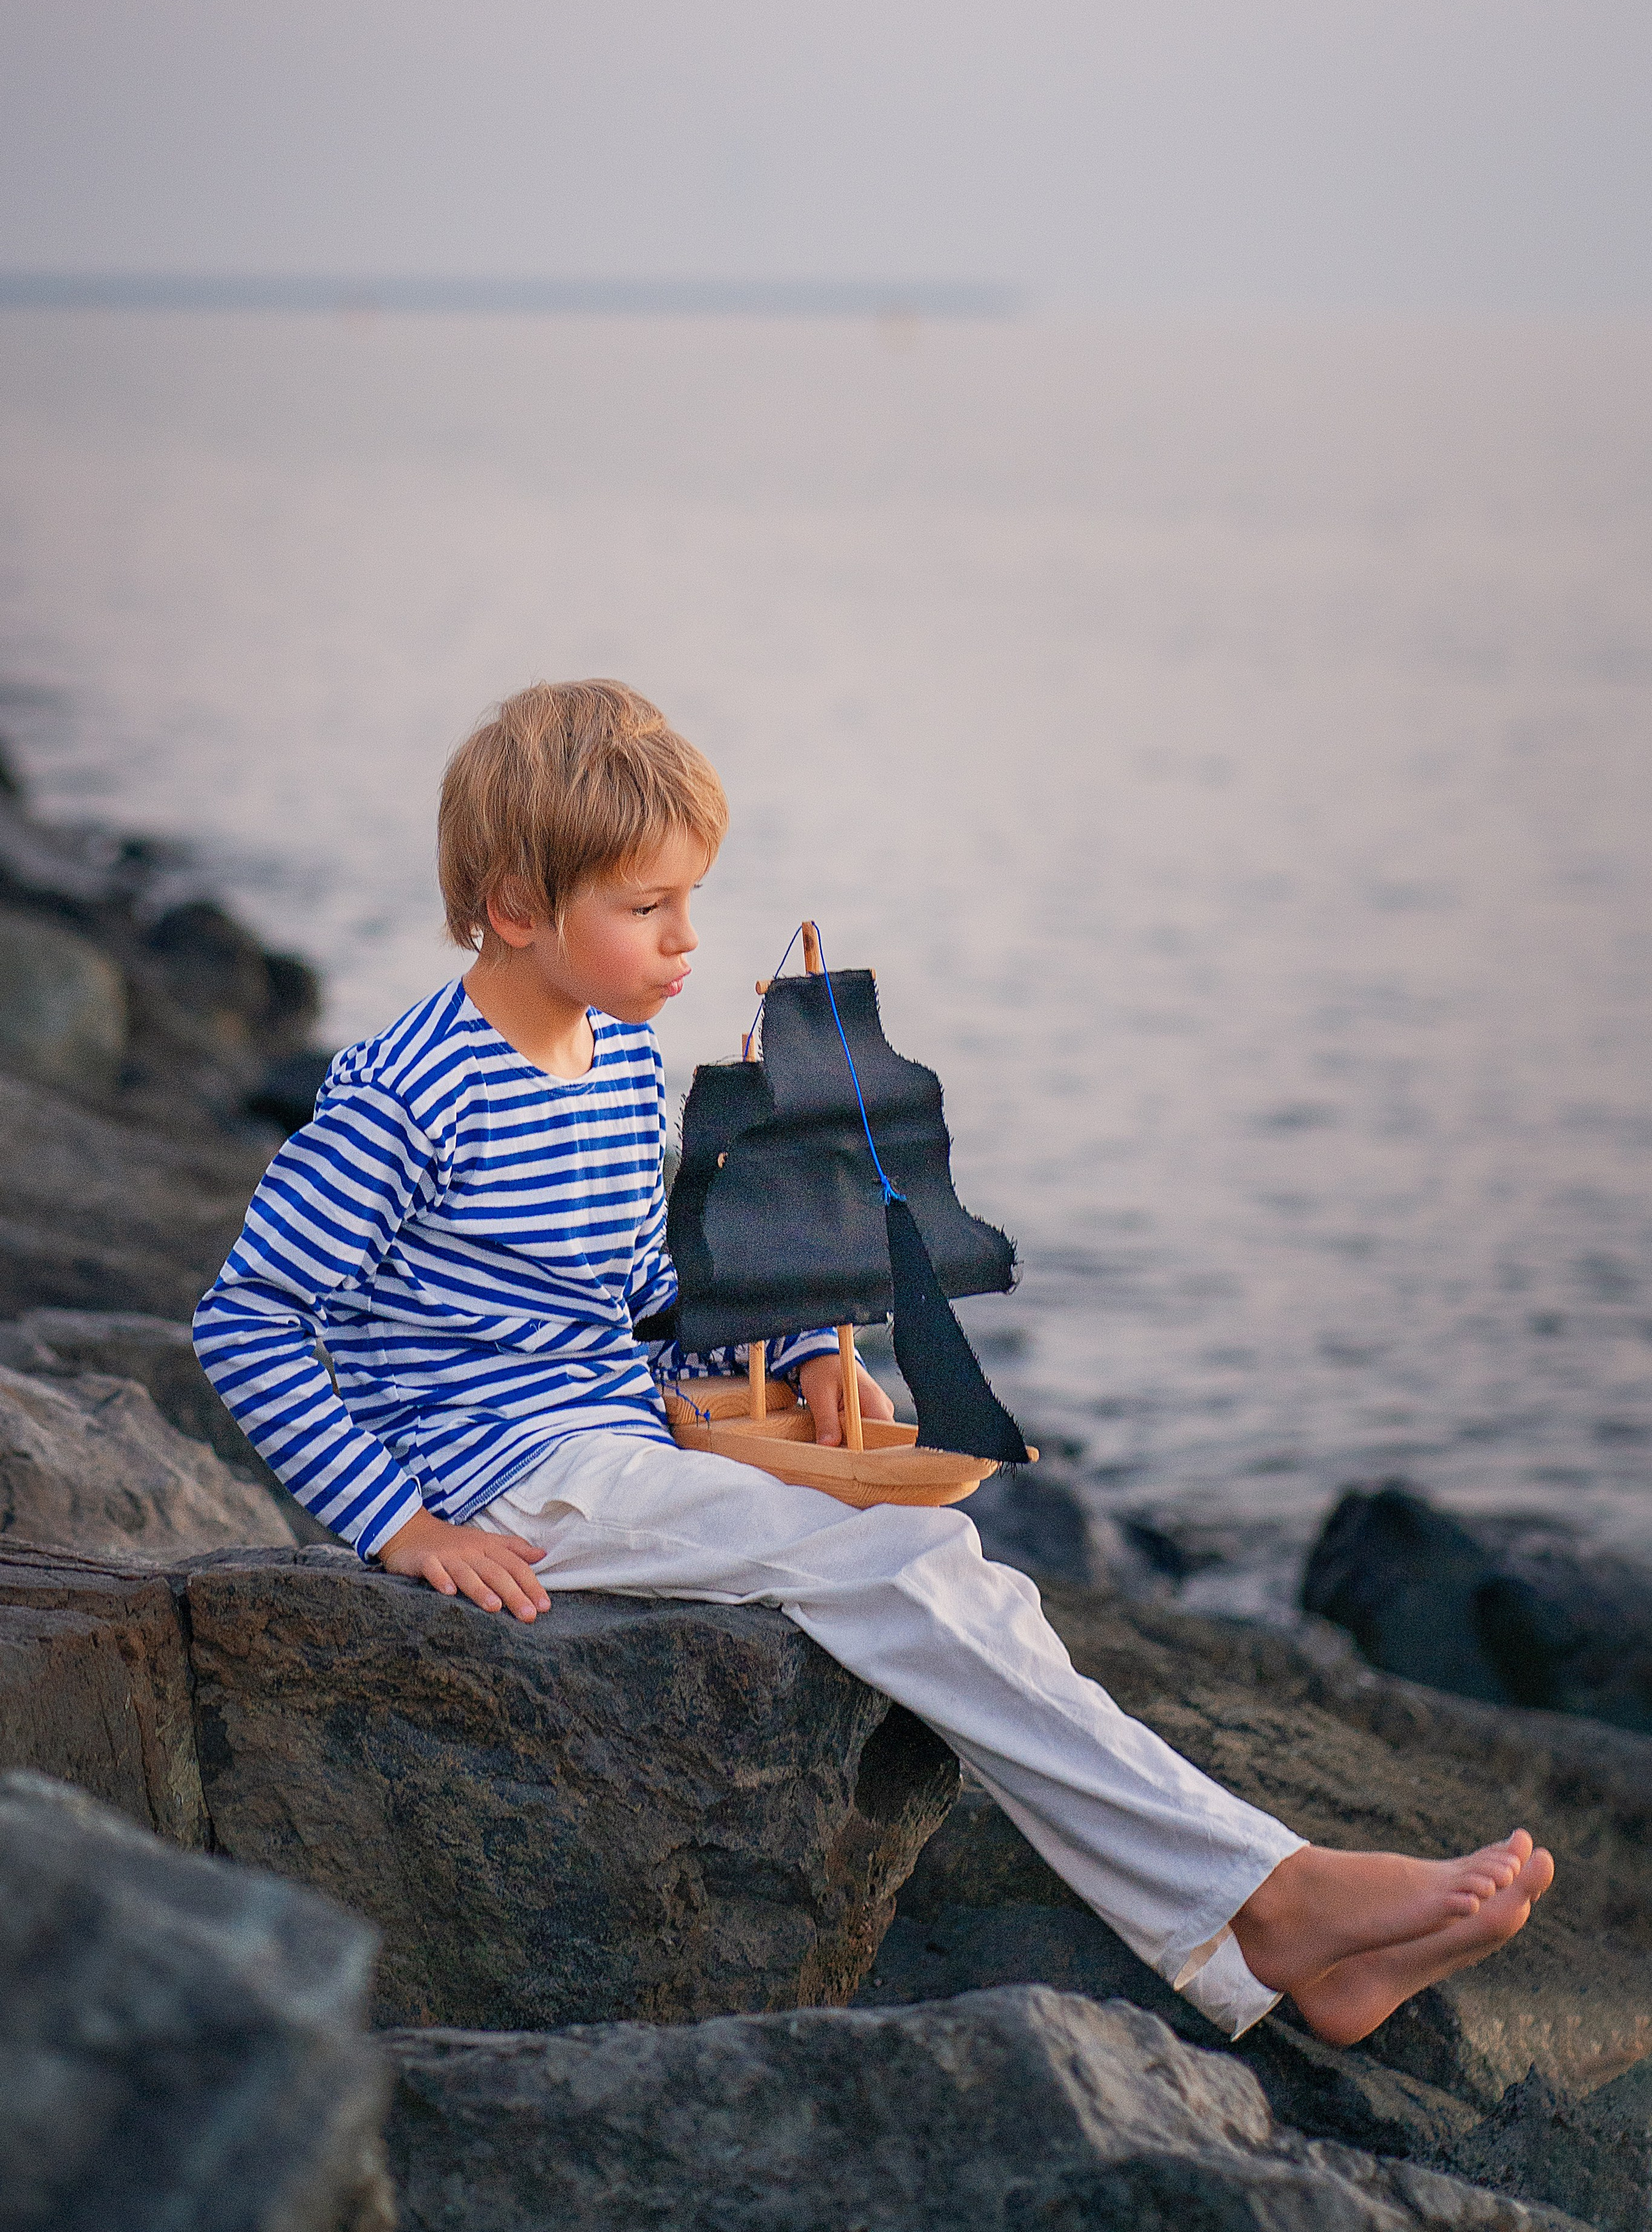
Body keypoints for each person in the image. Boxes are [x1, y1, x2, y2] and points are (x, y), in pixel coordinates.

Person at [193, 678, 1552, 2047]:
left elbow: (642, 1281)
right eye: (647, 906)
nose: (686, 938)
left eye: (691, 898)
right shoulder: (406, 1095)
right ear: (513, 906)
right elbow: (247, 1319)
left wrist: (791, 1345)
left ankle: (1266, 1939)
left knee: (948, 1564)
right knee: (903, 1563)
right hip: (503, 1474)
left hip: (621, 1437)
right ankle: (1273, 1903)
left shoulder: (616, 1060)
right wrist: (403, 1528)